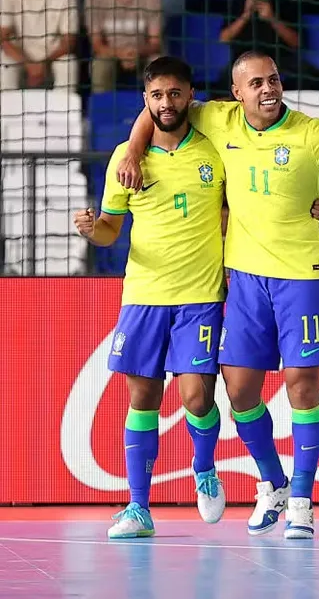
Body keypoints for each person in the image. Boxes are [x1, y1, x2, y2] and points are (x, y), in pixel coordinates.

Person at [114, 50, 319, 539]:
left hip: (301, 275)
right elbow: (158, 108)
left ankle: (301, 499)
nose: (268, 89)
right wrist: (131, 151)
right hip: (245, 279)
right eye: (255, 83)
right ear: (238, 93)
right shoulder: (218, 119)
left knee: (301, 385)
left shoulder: (310, 131)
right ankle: (272, 481)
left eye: (273, 79)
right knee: (238, 390)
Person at [72, 57, 229, 539]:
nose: (166, 103)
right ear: (146, 101)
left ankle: (204, 470)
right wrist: (91, 228)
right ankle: (138, 508)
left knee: (196, 396)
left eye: (175, 94)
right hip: (144, 294)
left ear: (190, 95)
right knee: (143, 396)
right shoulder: (127, 156)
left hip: (201, 294)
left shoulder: (215, 148)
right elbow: (110, 231)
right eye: (157, 95)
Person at [84, 0, 163, 93]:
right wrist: (121, 53)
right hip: (110, 55)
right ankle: (103, 109)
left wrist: (136, 51)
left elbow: (155, 43)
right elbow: (97, 45)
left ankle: (159, 109)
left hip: (143, 55)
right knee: (100, 66)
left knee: (160, 65)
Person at [0, 0, 78, 91]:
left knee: (68, 64)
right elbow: (3, 39)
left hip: (53, 55)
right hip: (20, 55)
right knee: (5, 64)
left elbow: (69, 41)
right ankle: (8, 108)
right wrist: (28, 64)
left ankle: (62, 108)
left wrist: (44, 64)